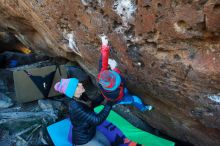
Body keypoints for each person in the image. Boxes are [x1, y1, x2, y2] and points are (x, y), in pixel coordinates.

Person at [97, 35, 153, 112]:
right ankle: (143, 108)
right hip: (119, 98)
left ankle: (114, 103)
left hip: (111, 95)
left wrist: (105, 45)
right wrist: (114, 68)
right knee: (134, 99)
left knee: (124, 91)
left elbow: (103, 61)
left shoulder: (102, 77)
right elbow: (122, 80)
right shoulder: (116, 90)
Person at [54, 78, 113, 146]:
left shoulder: (79, 97)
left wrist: (104, 94)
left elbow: (91, 104)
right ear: (72, 91)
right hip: (83, 140)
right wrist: (109, 104)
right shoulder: (75, 106)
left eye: (78, 83)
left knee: (108, 144)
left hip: (90, 131)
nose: (81, 84)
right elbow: (97, 120)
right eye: (77, 85)